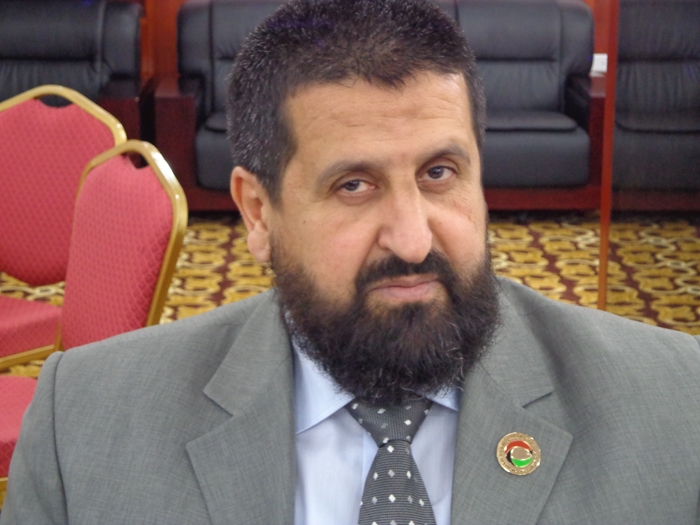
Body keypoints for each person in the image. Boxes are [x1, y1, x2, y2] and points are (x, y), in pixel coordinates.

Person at [2, 0, 700, 523]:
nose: (414, 240)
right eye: (354, 186)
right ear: (258, 212)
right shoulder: (84, 423)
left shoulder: (675, 404)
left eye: (439, 173)